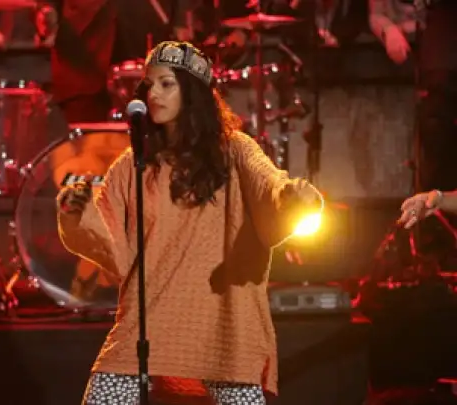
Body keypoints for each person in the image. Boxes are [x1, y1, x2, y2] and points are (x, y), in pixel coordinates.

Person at [56, 41, 322, 404]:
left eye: (167, 84)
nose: (154, 94)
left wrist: (293, 198)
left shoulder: (236, 150)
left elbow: (270, 188)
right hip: (149, 323)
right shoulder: (133, 164)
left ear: (192, 93)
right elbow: (111, 240)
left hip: (225, 323)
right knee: (105, 396)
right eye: (149, 84)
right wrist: (77, 211)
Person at [51, 0, 194, 123]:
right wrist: (47, 10)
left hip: (147, 30)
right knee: (88, 137)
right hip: (84, 45)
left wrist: (181, 18)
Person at [369, 0, 457, 194]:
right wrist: (389, 29)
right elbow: (375, 14)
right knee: (436, 127)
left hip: (442, 55)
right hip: (439, 64)